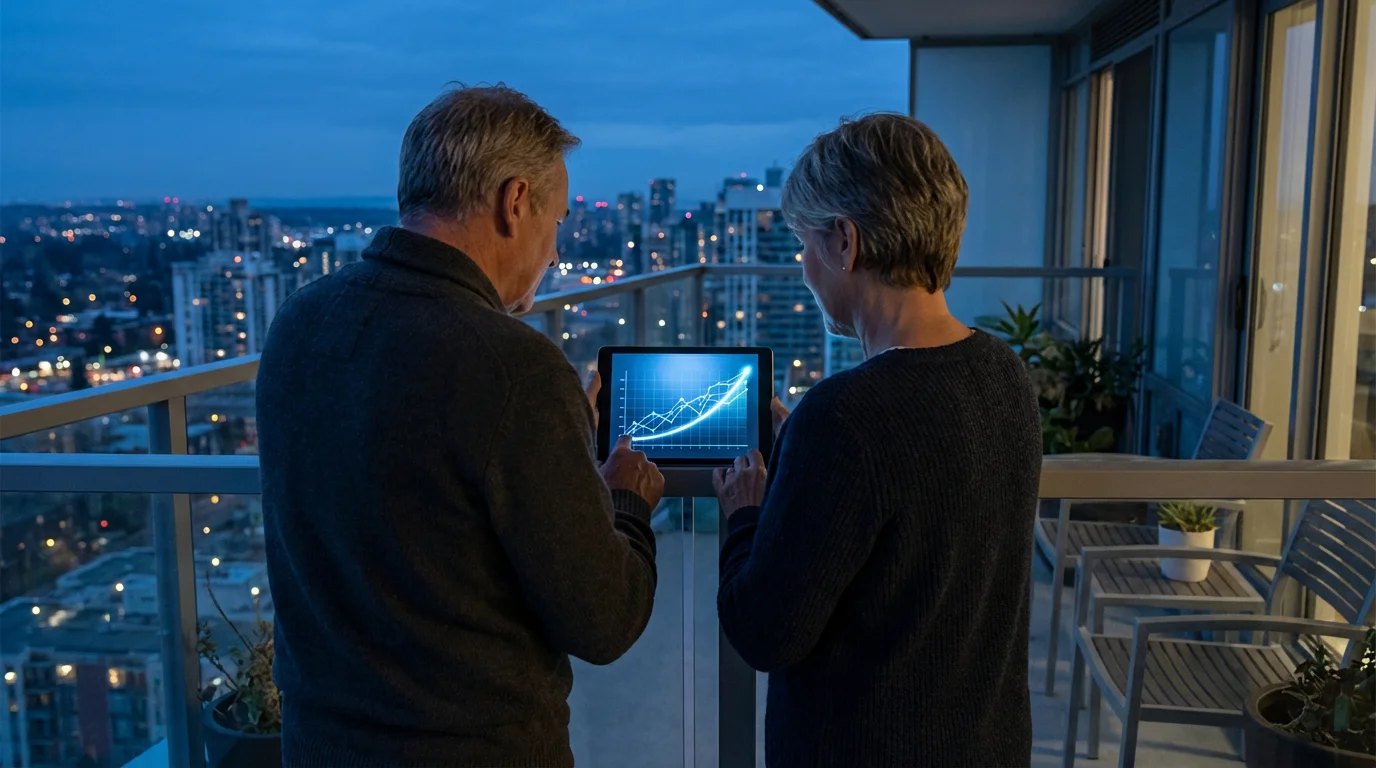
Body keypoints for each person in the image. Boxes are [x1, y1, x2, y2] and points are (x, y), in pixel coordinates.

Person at [256, 84, 664, 767]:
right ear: (514, 202)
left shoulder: (299, 323)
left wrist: (551, 443)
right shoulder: (513, 369)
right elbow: (605, 619)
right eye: (558, 220)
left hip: (320, 743)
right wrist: (624, 499)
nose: (556, 253)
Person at [714, 113, 1042, 767]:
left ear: (844, 241)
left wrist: (745, 512)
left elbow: (764, 632)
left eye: (805, 244)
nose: (803, 266)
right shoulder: (1004, 373)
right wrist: (804, 453)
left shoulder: (845, 417)